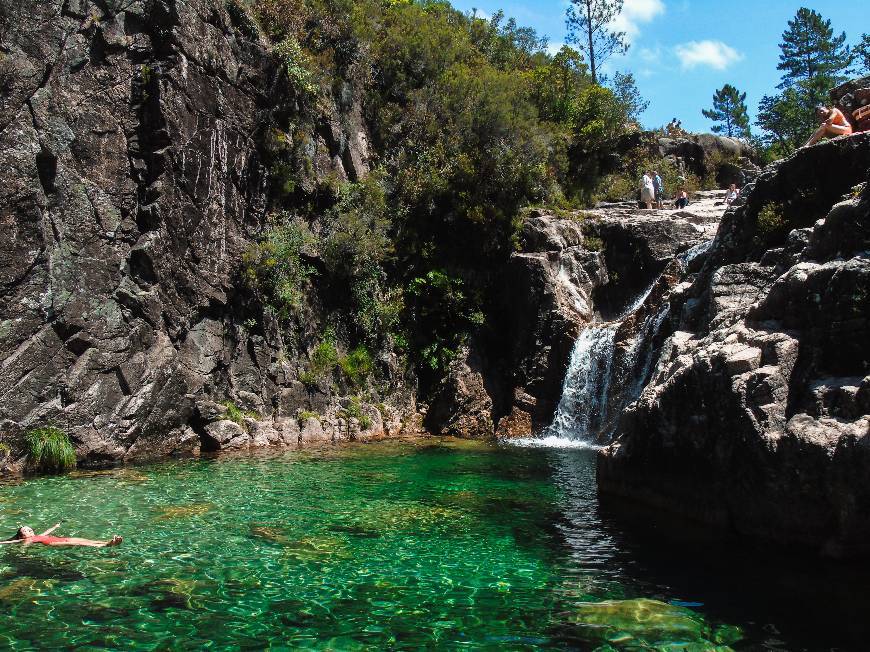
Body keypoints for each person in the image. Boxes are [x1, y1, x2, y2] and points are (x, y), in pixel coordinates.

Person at [0, 524, 123, 548]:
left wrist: (55, 527)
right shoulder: (27, 540)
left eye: (29, 529)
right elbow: (10, 542)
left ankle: (107, 541)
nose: (29, 530)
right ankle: (107, 545)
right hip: (53, 543)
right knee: (79, 543)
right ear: (22, 536)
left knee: (83, 539)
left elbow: (46, 532)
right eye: (25, 530)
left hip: (60, 538)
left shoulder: (37, 535)